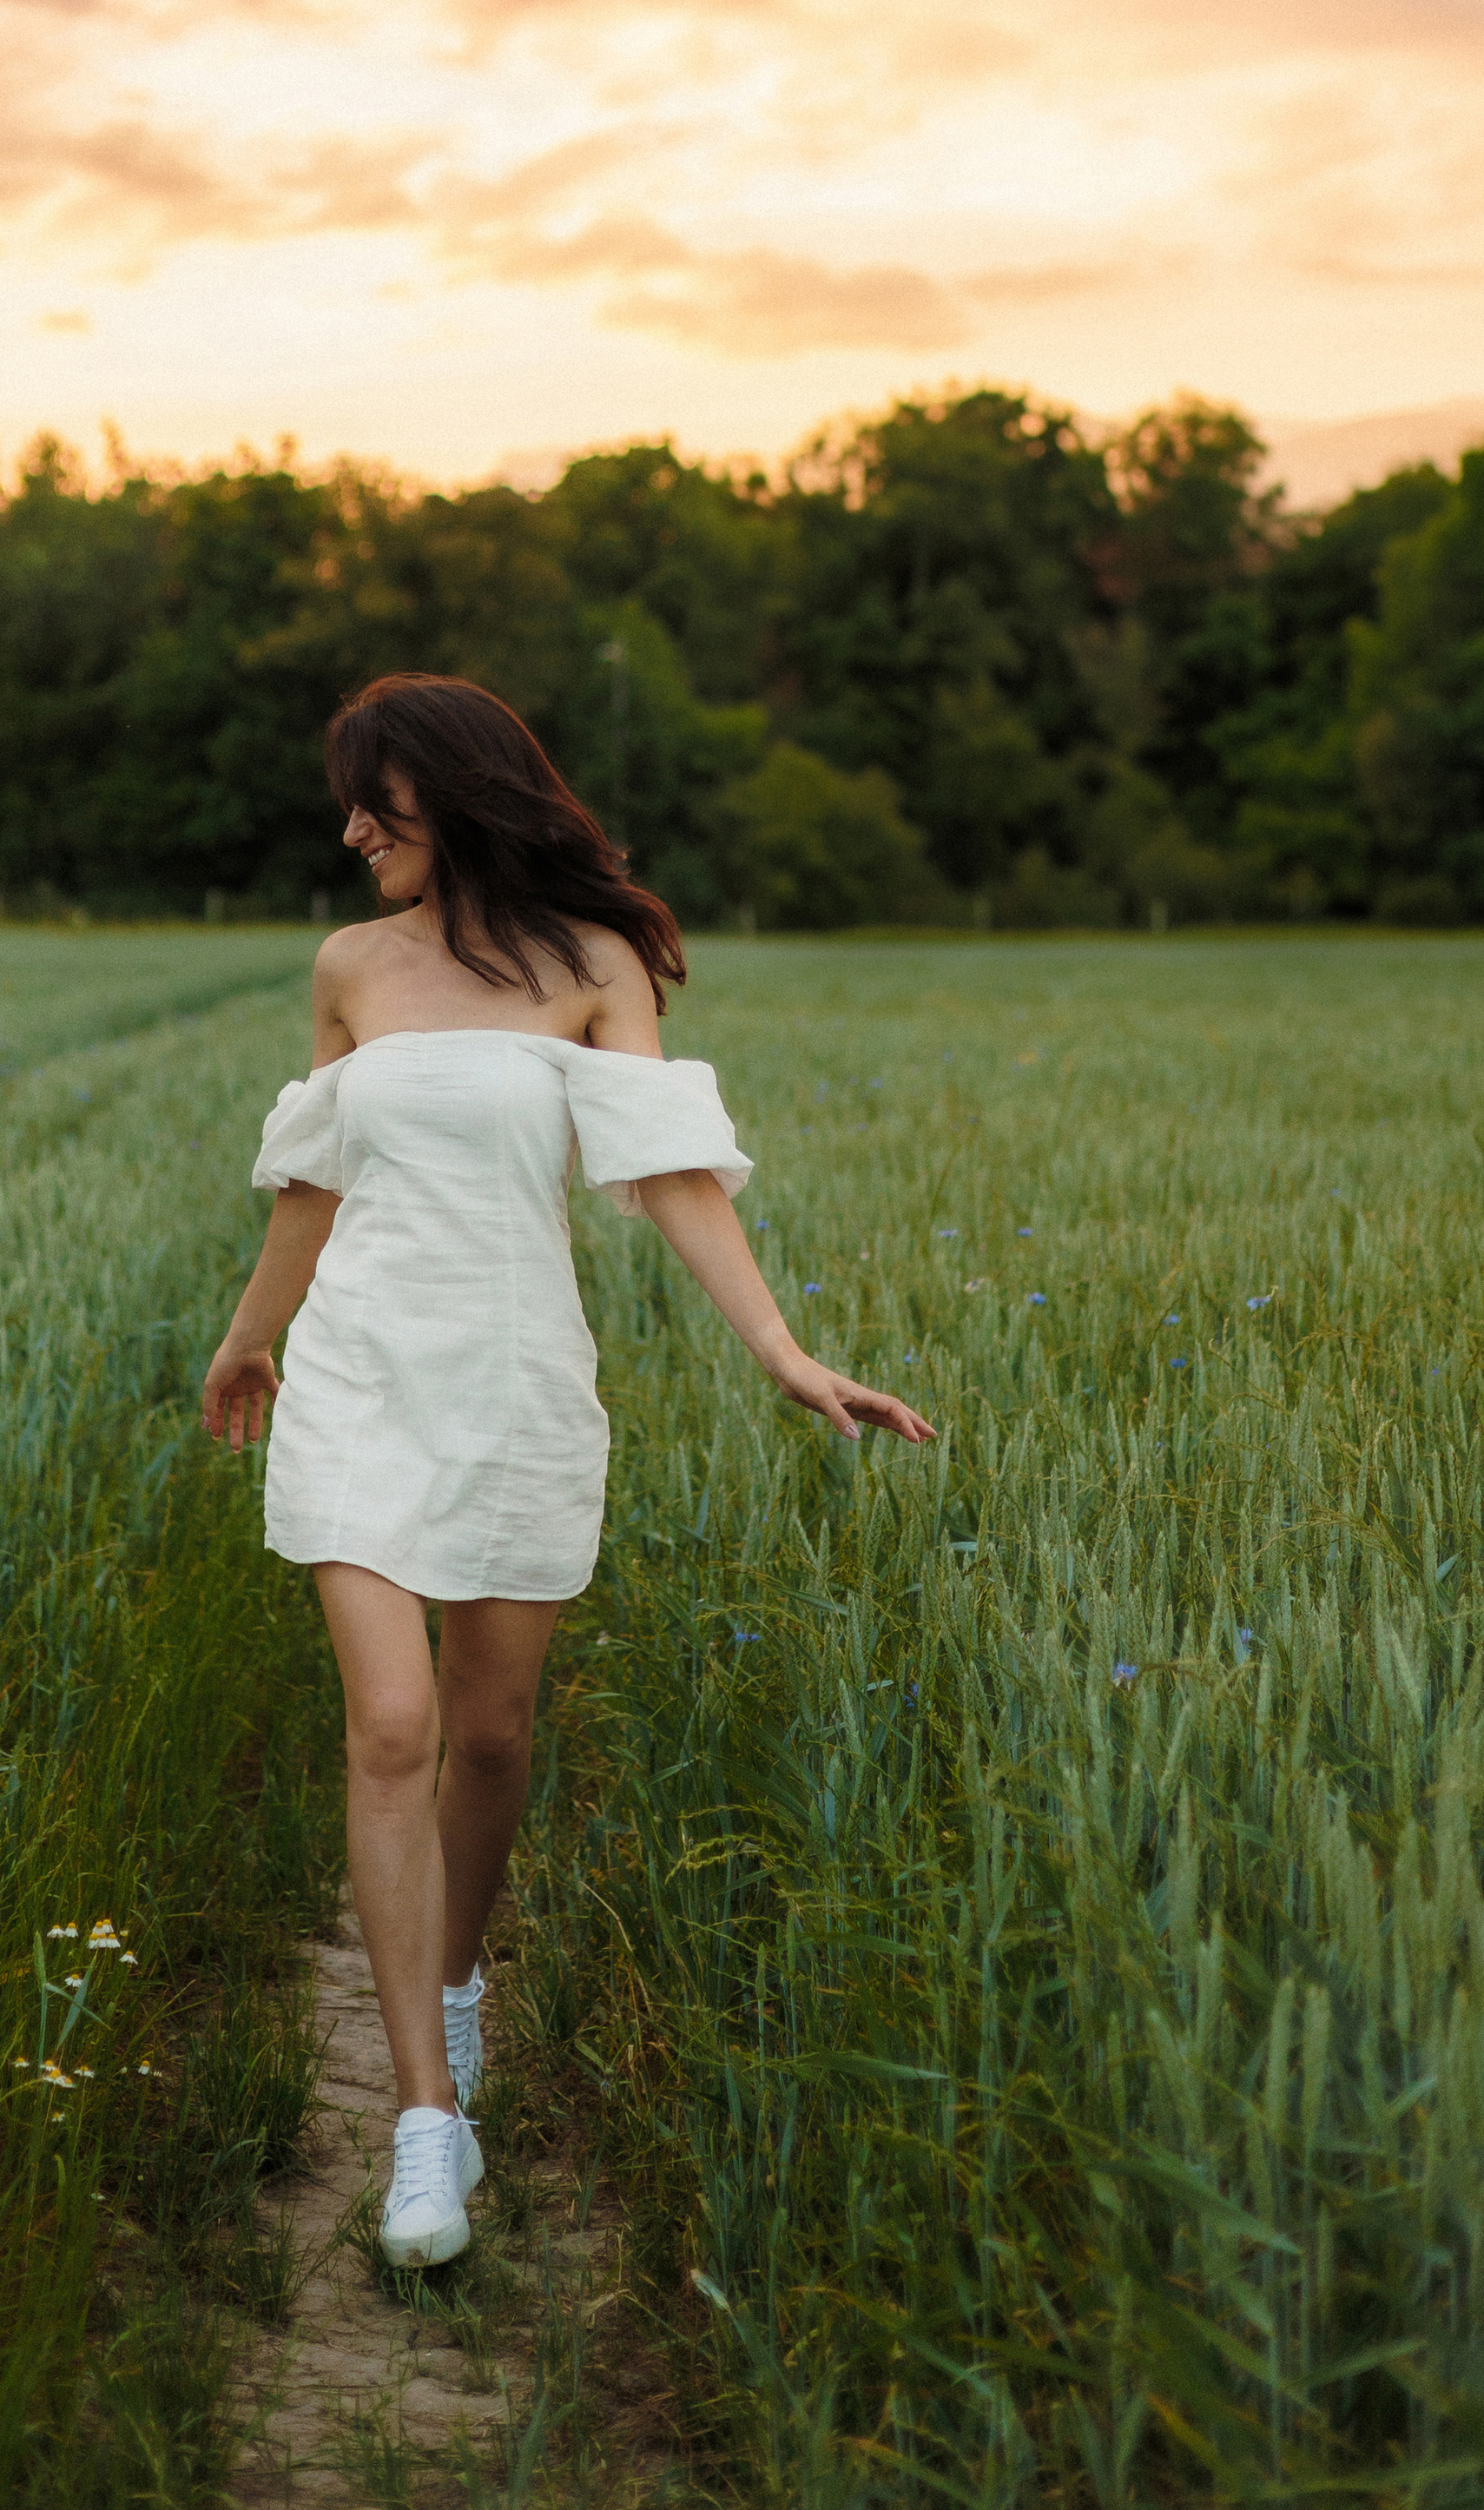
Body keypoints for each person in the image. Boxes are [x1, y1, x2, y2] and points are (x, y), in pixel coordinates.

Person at [201, 674, 935, 2269]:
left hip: (521, 1383)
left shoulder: (591, 967)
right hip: (360, 1378)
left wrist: (784, 1352)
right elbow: (309, 1189)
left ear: (450, 798)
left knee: (492, 1738)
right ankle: (422, 2124)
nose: (348, 833)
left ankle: (456, 1988)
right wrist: (250, 1341)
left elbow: (668, 1173)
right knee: (390, 1727)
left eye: (371, 804)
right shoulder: (345, 971)